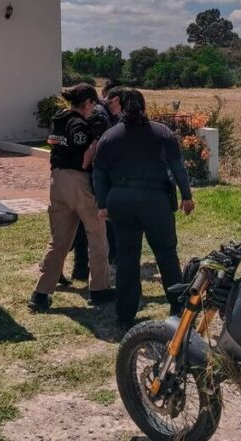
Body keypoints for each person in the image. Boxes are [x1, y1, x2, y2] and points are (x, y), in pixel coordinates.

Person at [92, 88, 195, 334]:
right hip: (155, 201)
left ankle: (125, 316)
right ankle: (178, 310)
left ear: (121, 107)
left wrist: (102, 203)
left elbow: (99, 173)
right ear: (144, 106)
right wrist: (187, 196)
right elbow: (178, 167)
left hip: (121, 200)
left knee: (127, 258)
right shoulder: (162, 133)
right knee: (167, 255)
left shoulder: (110, 136)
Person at [30, 83, 114, 311]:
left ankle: (41, 293)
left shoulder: (59, 119)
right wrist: (96, 138)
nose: (93, 110)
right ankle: (99, 289)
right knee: (97, 234)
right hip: (78, 181)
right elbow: (85, 160)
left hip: (56, 181)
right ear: (87, 103)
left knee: (59, 241)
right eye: (92, 105)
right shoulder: (79, 125)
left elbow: (56, 145)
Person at [66, 82, 121, 284]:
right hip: (94, 175)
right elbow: (97, 145)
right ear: (114, 100)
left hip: (91, 174)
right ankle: (95, 269)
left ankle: (81, 267)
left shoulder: (102, 113)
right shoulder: (100, 114)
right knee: (97, 224)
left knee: (83, 224)